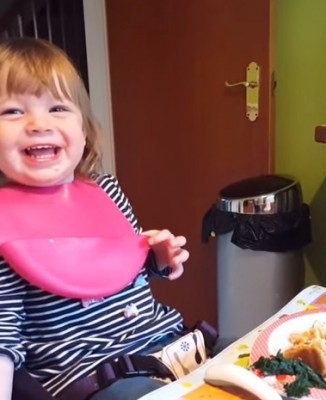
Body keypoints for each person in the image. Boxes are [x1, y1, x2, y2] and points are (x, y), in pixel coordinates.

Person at [0, 37, 210, 400]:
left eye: (58, 108)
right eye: (13, 112)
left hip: (171, 346)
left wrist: (155, 260)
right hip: (99, 378)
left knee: (260, 361)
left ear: (84, 130)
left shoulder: (106, 190)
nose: (38, 124)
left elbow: (117, 273)